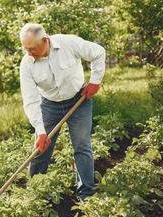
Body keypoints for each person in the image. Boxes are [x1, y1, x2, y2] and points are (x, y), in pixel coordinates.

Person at [19, 23, 105, 200]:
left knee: (82, 146)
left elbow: (98, 52)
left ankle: (86, 194)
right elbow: (31, 100)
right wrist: (41, 132)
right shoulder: (27, 63)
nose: (28, 53)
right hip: (49, 105)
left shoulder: (69, 43)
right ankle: (36, 192)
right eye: (25, 48)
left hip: (79, 100)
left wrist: (95, 81)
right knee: (40, 148)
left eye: (32, 48)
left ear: (45, 40)